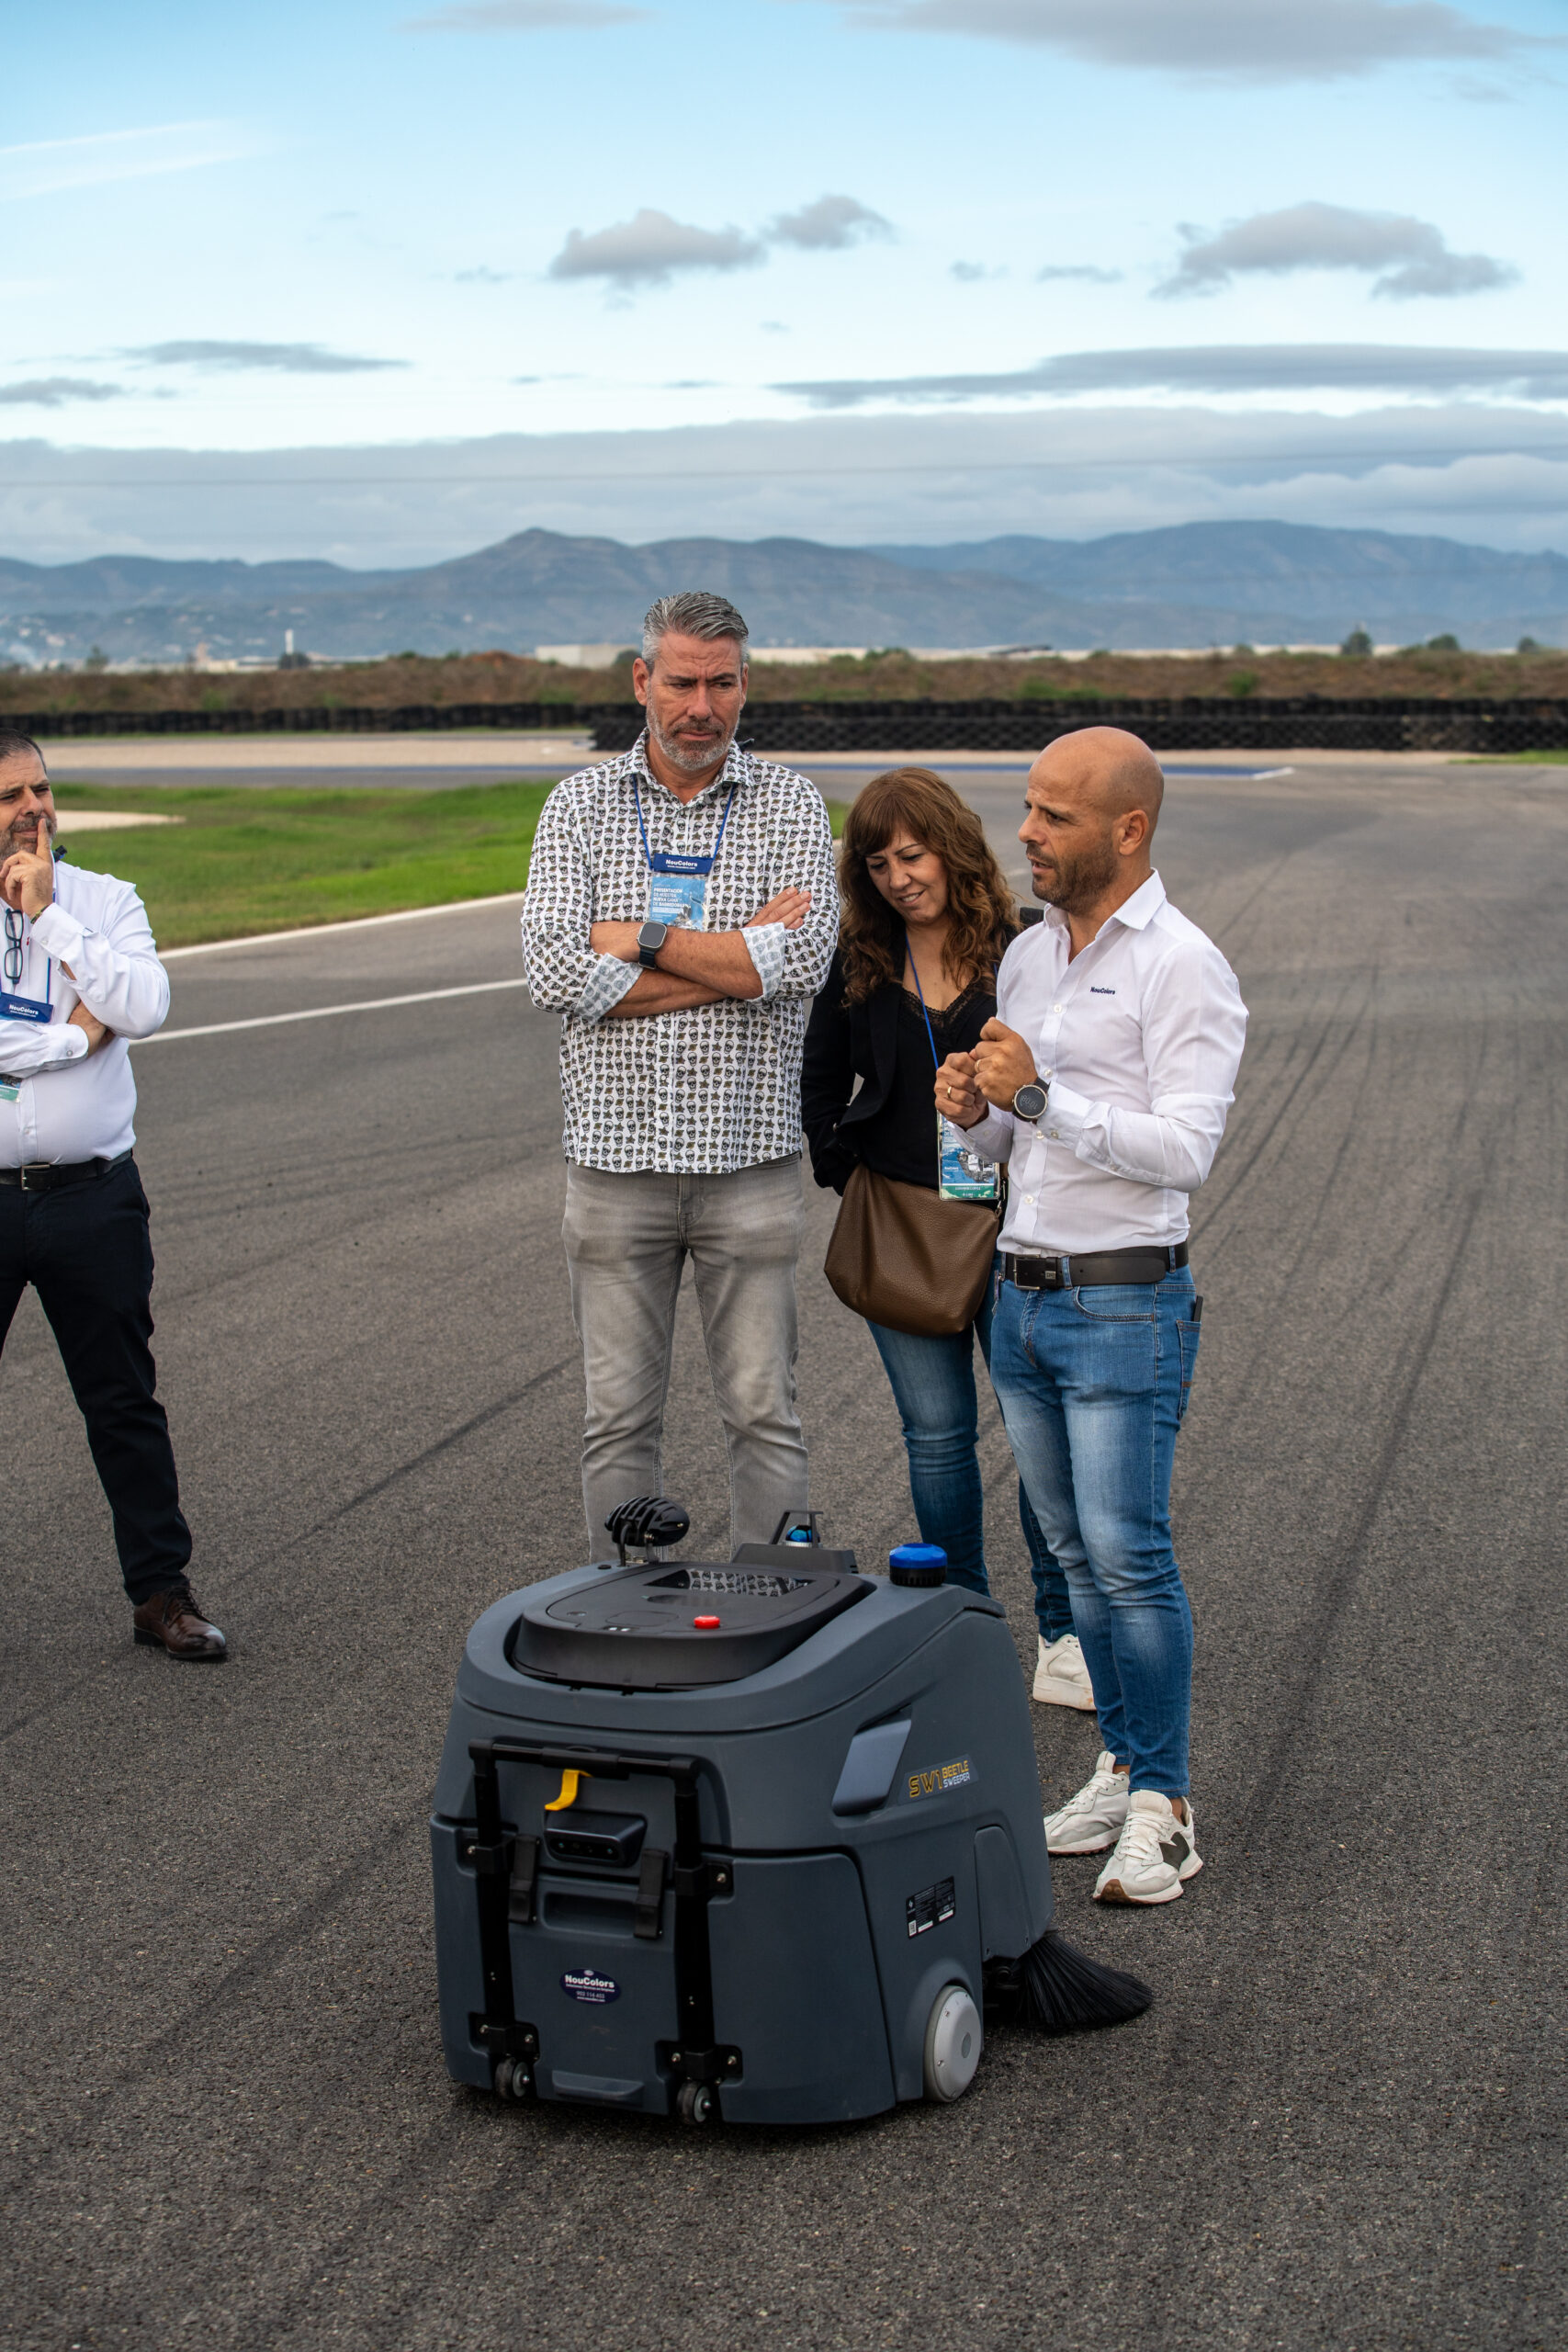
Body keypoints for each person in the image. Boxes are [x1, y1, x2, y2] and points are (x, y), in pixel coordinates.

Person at [937, 727, 1247, 1905]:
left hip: (1123, 1302)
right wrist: (975, 1112)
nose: (1026, 832)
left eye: (1054, 815)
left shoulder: (1183, 965)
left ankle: (1167, 1808)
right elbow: (1008, 1147)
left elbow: (1186, 1151)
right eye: (1028, 807)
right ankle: (1120, 1765)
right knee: (1072, 1558)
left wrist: (1038, 1097)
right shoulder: (1028, 957)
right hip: (1020, 1299)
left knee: (1129, 1556)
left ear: (1128, 829)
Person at [522, 591, 839, 1555]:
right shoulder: (578, 806)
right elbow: (553, 972)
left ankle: (778, 1607)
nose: (702, 707)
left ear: (746, 684)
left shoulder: (790, 803)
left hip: (751, 1167)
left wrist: (642, 938)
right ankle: (623, 1609)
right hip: (614, 1168)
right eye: (683, 683)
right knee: (617, 1420)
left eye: (722, 684)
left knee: (765, 1413)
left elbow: (801, 961)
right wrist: (736, 960)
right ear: (642, 680)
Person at [801, 766, 1090, 1707]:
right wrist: (851, 1174)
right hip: (903, 1231)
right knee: (936, 1437)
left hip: (1017, 1230)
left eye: (912, 855)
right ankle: (963, 1624)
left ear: (953, 850)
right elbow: (819, 1079)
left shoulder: (1027, 949)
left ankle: (1062, 1631)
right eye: (878, 864)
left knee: (1039, 1437)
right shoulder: (860, 960)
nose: (898, 878)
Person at [0, 730, 221, 1660]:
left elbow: (145, 1006)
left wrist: (52, 919)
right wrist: (76, 1039)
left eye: (41, 789)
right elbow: (84, 1026)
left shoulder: (104, 900)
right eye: (10, 795)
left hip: (93, 1197)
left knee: (124, 1402)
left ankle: (161, 1594)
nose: (33, 809)